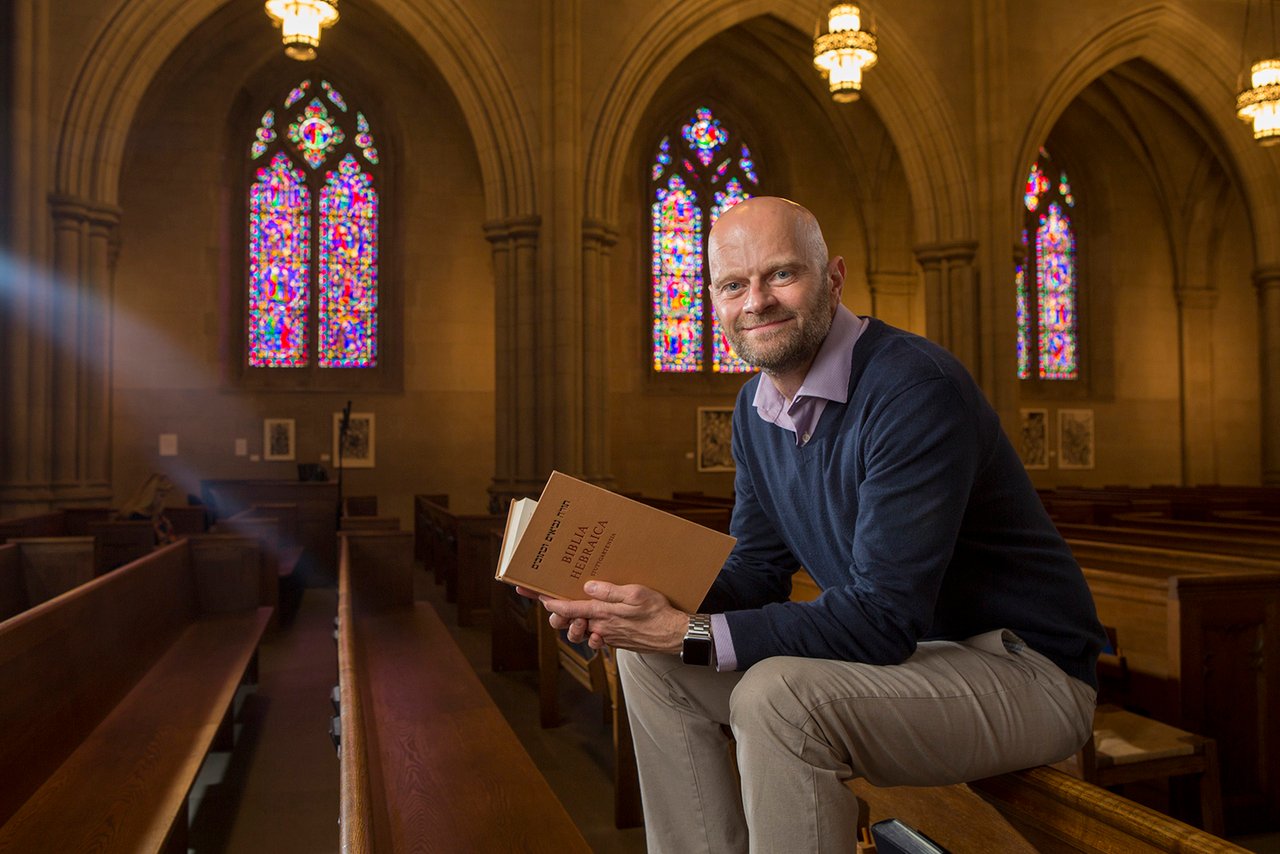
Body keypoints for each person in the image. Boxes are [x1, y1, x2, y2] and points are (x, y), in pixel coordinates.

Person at [534, 197, 1106, 853]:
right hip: (915, 664)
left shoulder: (915, 388)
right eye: (733, 285)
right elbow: (756, 572)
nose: (757, 301)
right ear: (714, 300)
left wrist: (687, 629)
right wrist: (634, 603)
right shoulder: (754, 409)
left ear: (833, 279)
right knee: (652, 662)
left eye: (781, 275)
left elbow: (883, 618)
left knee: (778, 699)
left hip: (1026, 671)